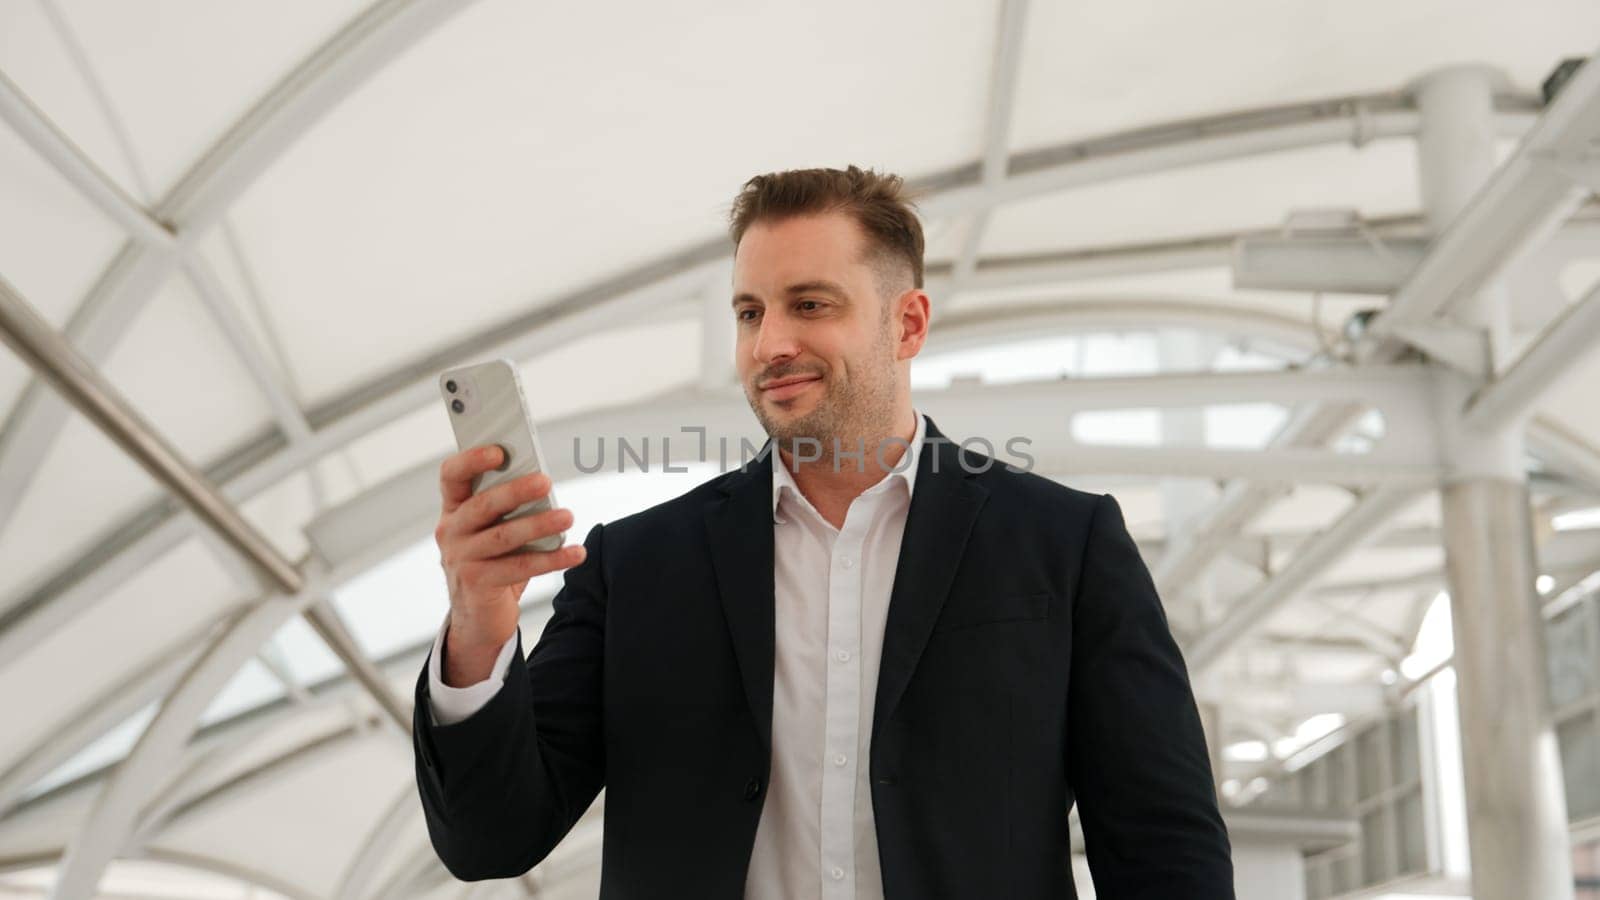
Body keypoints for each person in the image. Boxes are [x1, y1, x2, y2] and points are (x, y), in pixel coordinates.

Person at [413, 166, 1234, 898]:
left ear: (908, 324)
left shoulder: (1066, 544)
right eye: (749, 312)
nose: (770, 344)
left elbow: (1164, 851)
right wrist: (479, 629)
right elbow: (493, 838)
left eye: (810, 304)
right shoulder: (636, 568)